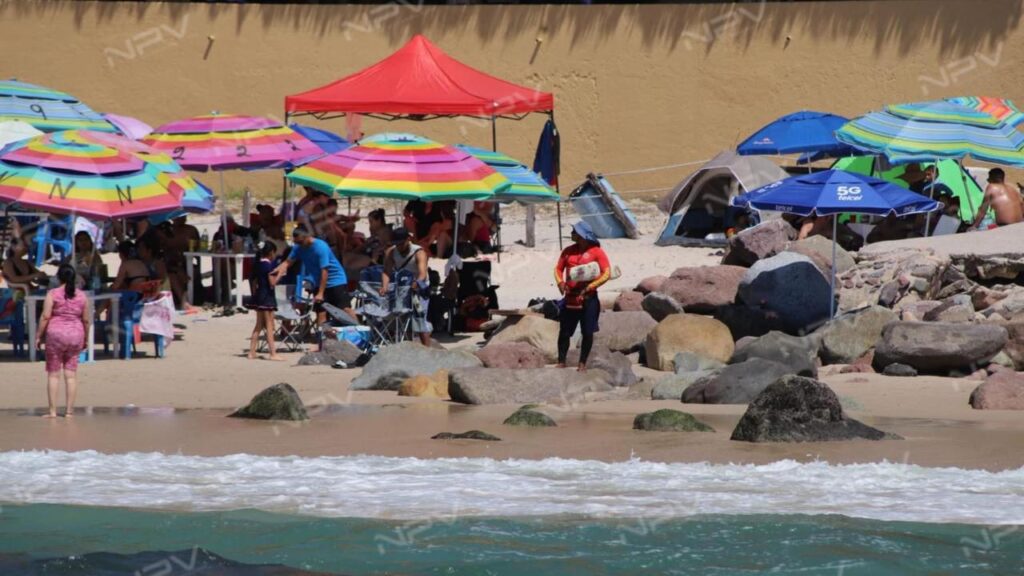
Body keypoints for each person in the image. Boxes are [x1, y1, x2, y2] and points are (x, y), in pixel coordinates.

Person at [554, 221, 611, 371]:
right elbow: (558, 269)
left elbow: (607, 273)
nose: (572, 234)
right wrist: (560, 283)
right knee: (564, 331)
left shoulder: (596, 252)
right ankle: (561, 361)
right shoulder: (567, 251)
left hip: (588, 299)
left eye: (574, 231)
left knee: (587, 332)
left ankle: (582, 364)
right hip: (570, 298)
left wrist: (590, 287)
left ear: (582, 236)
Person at [270, 225, 354, 324]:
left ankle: (361, 331)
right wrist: (277, 271)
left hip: (336, 281)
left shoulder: (321, 247)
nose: (298, 245)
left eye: (300, 242)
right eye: (296, 242)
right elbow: (288, 262)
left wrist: (321, 293)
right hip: (318, 282)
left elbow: (325, 270)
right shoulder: (298, 247)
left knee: (345, 309)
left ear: (307, 237)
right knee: (321, 312)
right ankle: (322, 337)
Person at [35, 265, 89, 418]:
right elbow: (85, 319)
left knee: (53, 374)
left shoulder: (52, 294)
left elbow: (45, 316)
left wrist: (38, 335)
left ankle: (52, 411)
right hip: (76, 334)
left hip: (56, 335)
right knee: (71, 375)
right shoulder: (82, 296)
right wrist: (85, 337)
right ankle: (69, 412)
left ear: (59, 277)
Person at [381, 227, 432, 346]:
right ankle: (408, 346)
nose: (398, 246)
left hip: (419, 288)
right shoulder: (392, 252)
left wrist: (416, 284)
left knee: (420, 319)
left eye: (401, 243)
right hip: (402, 286)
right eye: (396, 244)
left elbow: (422, 274)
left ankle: (427, 349)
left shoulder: (419, 252)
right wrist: (384, 286)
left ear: (408, 239)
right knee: (402, 318)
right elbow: (386, 271)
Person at [247, 241, 283, 361]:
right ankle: (272, 353)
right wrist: (279, 274)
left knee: (258, 325)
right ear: (271, 252)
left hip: (259, 296)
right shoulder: (268, 266)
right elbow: (272, 283)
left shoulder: (258, 264)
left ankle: (252, 352)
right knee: (269, 325)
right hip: (267, 296)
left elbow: (254, 281)